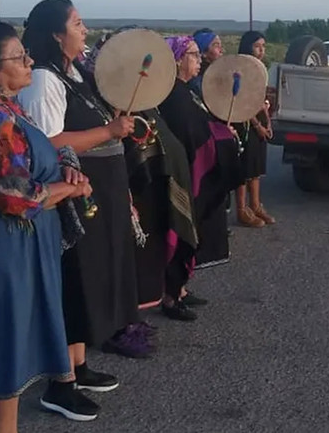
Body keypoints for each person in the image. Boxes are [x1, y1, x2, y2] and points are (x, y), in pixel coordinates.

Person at [0, 21, 95, 431]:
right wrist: (69, 191)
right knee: (5, 343)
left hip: (18, 238)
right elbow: (15, 196)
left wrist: (65, 165)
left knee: (17, 335)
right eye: (18, 57)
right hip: (2, 237)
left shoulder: (10, 109)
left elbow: (43, 152)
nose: (28, 61)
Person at [17, 0, 138, 418]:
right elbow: (48, 144)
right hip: (68, 198)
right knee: (72, 282)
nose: (84, 29)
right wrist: (107, 129)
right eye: (77, 23)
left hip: (96, 192)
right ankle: (59, 383)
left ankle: (79, 365)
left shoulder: (74, 74)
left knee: (89, 281)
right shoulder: (43, 80)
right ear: (56, 33)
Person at [82, 30, 199, 324]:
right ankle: (136, 309)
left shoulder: (148, 99)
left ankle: (173, 291)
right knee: (140, 251)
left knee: (162, 242)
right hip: (136, 187)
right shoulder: (101, 98)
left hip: (162, 183)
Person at [158, 36, 243, 299]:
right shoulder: (172, 95)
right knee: (182, 230)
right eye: (193, 54)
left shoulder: (186, 90)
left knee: (194, 231)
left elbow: (202, 125)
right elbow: (189, 135)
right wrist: (220, 137)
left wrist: (221, 131)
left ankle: (181, 288)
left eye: (197, 54)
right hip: (185, 174)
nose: (198, 59)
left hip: (192, 170)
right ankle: (172, 294)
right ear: (178, 59)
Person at [234, 31, 275, 226]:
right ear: (247, 46)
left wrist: (268, 122)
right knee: (244, 167)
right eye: (257, 46)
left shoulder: (261, 68)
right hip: (244, 120)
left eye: (263, 46)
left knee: (257, 166)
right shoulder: (240, 68)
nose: (261, 50)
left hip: (259, 118)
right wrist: (257, 125)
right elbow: (240, 100)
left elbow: (262, 99)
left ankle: (256, 205)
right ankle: (242, 210)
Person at [188, 28, 224, 96]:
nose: (221, 50)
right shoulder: (198, 84)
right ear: (203, 52)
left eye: (221, 46)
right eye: (216, 45)